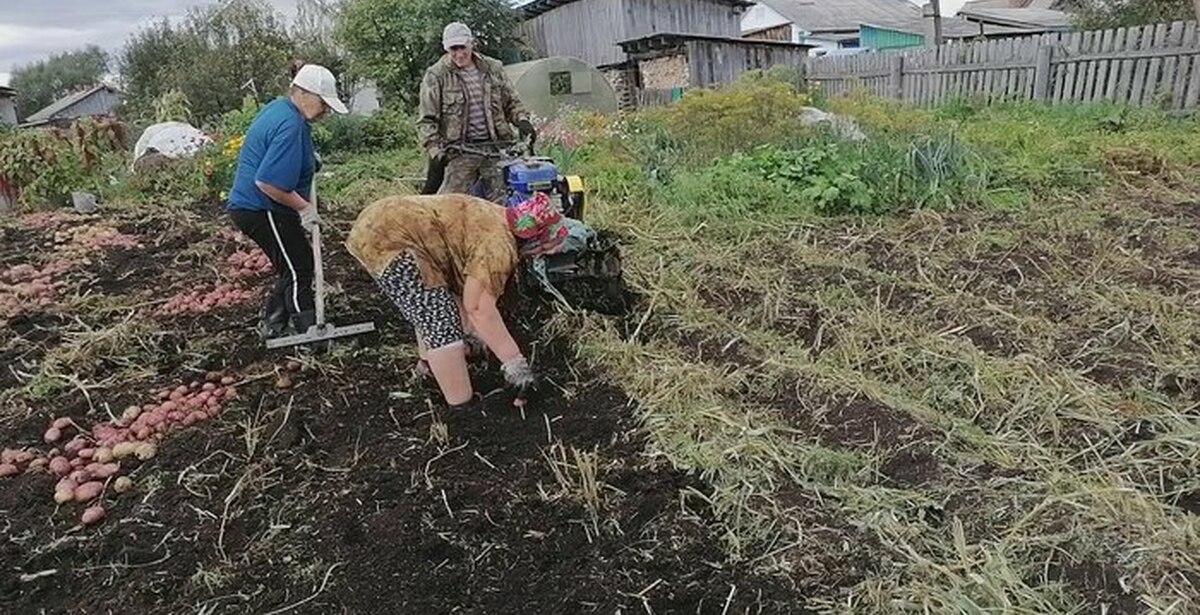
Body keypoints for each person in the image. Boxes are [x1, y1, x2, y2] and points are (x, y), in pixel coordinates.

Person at [344, 192, 567, 409]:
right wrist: (515, 364)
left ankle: (430, 371)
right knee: (440, 321)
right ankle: (462, 406)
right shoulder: (500, 244)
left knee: (433, 305)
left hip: (380, 222)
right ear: (534, 238)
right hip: (391, 238)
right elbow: (478, 306)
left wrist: (477, 338)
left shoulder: (495, 215)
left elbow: (464, 293)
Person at [225, 64, 348, 338]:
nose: (326, 110)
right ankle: (308, 330)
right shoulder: (290, 123)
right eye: (323, 103)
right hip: (261, 207)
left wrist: (308, 160)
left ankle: (273, 322)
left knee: (294, 263)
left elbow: (280, 153)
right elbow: (268, 182)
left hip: (262, 206)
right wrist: (304, 208)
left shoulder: (283, 110)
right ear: (303, 93)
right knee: (298, 269)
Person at [417, 22, 536, 203]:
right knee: (448, 205)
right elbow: (427, 120)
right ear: (446, 48)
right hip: (460, 151)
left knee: (507, 202)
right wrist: (435, 150)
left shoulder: (493, 68)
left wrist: (522, 121)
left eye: (462, 47)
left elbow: (512, 103)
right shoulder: (436, 75)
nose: (459, 54)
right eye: (453, 49)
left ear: (472, 43)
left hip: (496, 149)